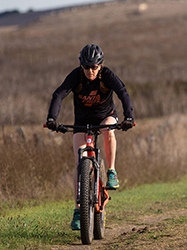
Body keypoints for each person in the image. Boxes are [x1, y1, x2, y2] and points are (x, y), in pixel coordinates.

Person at [46, 44, 135, 230]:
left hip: (105, 116)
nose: (90, 71)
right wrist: (52, 118)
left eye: (94, 66)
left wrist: (129, 117)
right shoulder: (76, 76)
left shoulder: (107, 75)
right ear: (81, 65)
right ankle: (78, 209)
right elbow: (59, 94)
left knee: (108, 131)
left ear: (100, 65)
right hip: (82, 121)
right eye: (86, 67)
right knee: (79, 161)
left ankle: (111, 171)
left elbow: (123, 93)